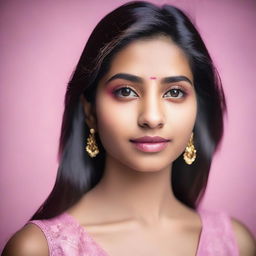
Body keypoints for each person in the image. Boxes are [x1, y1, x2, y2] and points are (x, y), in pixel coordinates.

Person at [2, 1, 255, 255]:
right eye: (126, 91)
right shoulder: (37, 249)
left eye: (175, 92)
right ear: (90, 111)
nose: (152, 118)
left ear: (197, 110)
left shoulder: (235, 243)